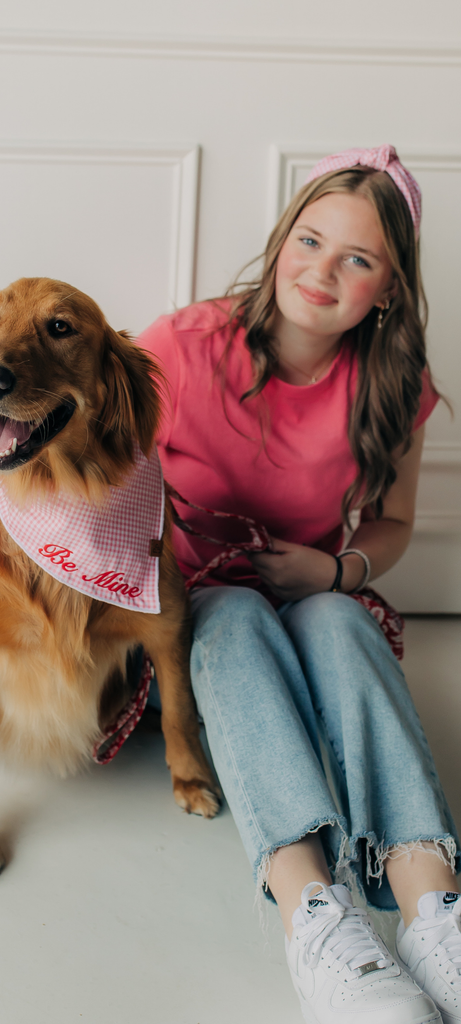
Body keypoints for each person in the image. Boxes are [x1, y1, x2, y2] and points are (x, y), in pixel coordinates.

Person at [137, 146, 461, 1024]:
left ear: (387, 287)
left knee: (336, 618)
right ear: (282, 241)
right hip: (196, 611)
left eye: (357, 259)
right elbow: (102, 472)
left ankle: (436, 910)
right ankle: (318, 920)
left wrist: (337, 567)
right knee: (234, 612)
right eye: (310, 241)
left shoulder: (394, 384)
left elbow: (390, 526)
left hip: (311, 598)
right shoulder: (179, 346)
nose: (322, 271)